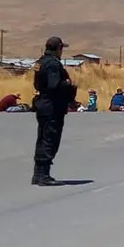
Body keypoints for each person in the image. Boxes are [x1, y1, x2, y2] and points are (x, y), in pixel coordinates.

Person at [31, 36, 77, 186]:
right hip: (52, 106)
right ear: (58, 48)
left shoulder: (40, 62)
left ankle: (38, 174)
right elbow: (54, 85)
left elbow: (37, 84)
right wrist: (68, 83)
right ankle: (43, 175)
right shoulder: (52, 64)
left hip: (43, 104)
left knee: (42, 138)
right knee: (50, 139)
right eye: (61, 48)